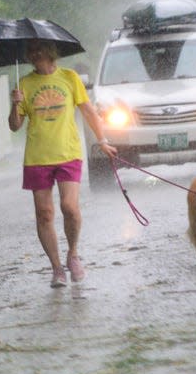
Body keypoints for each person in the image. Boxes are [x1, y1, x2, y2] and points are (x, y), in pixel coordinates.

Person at [9, 39, 117, 288]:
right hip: (37, 157)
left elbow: (89, 111)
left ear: (51, 52)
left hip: (68, 152)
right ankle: (57, 268)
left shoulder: (69, 77)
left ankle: (73, 254)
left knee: (69, 207)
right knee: (44, 214)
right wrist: (15, 105)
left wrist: (102, 140)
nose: (35, 54)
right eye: (31, 50)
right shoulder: (24, 84)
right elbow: (15, 126)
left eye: (39, 49)